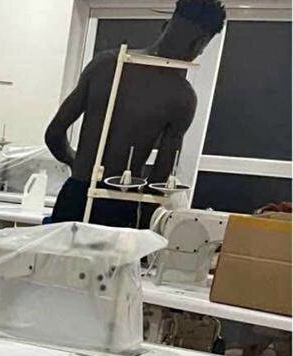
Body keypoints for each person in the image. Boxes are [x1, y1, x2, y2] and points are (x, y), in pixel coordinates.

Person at [45, 0, 226, 226]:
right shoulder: (182, 97)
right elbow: (160, 178)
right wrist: (145, 227)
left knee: (60, 250)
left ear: (165, 25)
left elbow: (54, 134)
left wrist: (77, 165)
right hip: (122, 201)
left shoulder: (106, 64)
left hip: (75, 194)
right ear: (199, 44)